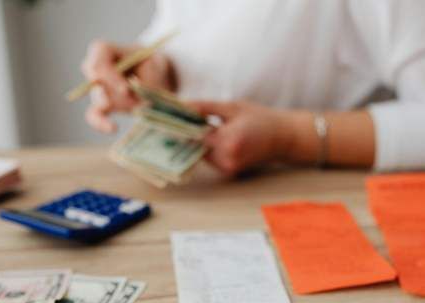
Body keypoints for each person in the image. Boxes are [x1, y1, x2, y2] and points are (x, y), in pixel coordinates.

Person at [81, 0, 425, 176]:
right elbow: (188, 34)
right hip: (208, 202)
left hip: (322, 203)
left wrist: (287, 136)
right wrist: (160, 70)